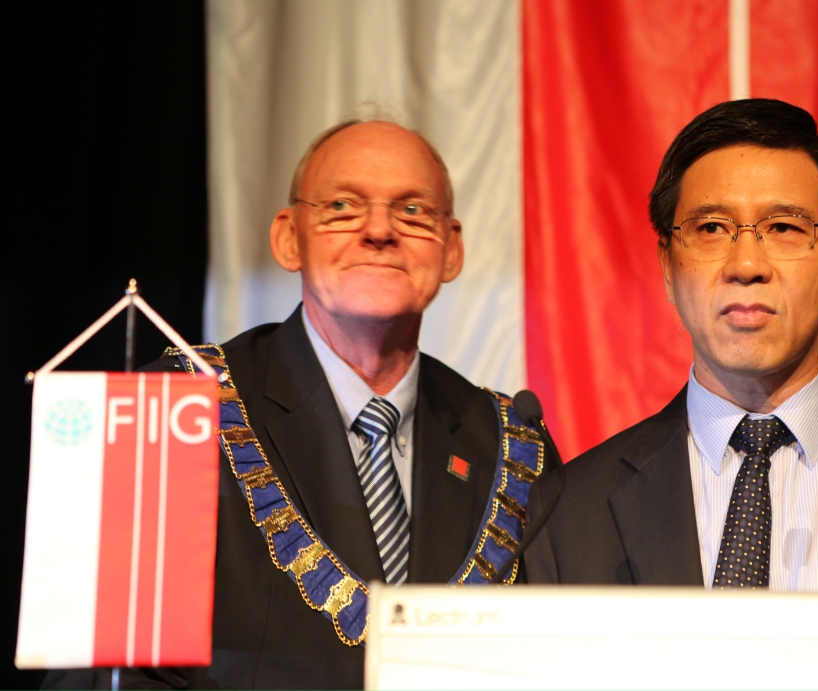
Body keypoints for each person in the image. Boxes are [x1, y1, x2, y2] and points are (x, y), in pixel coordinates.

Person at [47, 119, 538, 690]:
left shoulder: (508, 442)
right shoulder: (176, 408)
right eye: (342, 205)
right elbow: (97, 675)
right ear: (288, 238)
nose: (380, 230)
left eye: (412, 210)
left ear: (451, 249)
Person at [525, 99, 818, 590]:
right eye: (712, 229)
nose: (746, 265)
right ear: (667, 265)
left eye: (784, 228)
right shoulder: (566, 514)